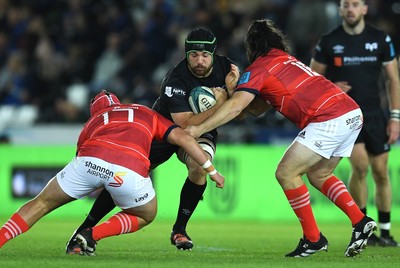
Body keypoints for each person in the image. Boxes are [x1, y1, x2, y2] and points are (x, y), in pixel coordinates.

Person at [185, 19, 377, 258]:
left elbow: (237, 109)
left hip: (328, 117)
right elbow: (255, 109)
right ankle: (360, 222)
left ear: (252, 46)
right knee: (319, 174)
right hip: (351, 113)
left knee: (286, 172)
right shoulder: (288, 61)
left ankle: (313, 239)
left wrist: (198, 128)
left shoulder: (260, 67)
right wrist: (234, 92)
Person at [65, 28, 239, 252]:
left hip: (203, 130)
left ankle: (179, 230)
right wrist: (221, 102)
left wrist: (234, 93)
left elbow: (240, 109)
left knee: (198, 166)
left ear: (214, 55)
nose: (199, 61)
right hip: (162, 130)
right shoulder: (175, 79)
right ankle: (84, 228)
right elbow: (184, 125)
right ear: (186, 54)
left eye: (205, 56)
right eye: (194, 55)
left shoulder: (228, 69)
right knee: (123, 174)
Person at [0, 90, 224, 254]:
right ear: (118, 103)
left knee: (41, 202)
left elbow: (81, 153)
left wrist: (95, 177)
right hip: (128, 171)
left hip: (90, 161)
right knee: (145, 214)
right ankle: (92, 234)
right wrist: (211, 170)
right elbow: (184, 138)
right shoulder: (146, 113)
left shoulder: (94, 120)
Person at [310, 0, 400, 247]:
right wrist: (331, 87)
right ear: (340, 10)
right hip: (347, 117)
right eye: (346, 5)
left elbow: (393, 79)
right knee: (360, 167)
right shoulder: (329, 40)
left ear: (364, 9)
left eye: (355, 5)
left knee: (381, 172)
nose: (350, 9)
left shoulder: (380, 39)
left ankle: (385, 231)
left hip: (375, 114)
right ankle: (362, 226)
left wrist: (395, 117)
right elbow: (312, 78)